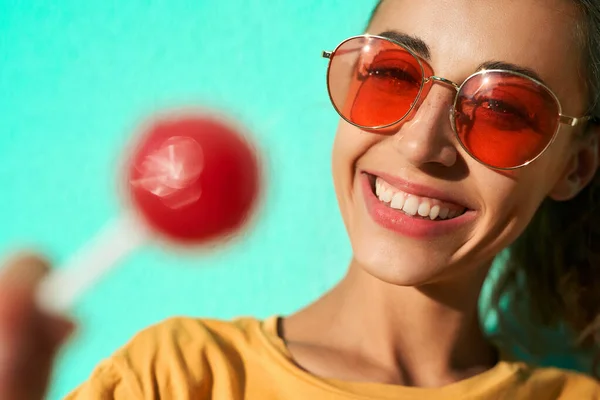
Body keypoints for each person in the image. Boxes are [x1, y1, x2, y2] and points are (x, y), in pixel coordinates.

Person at [2, 0, 600, 398]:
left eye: (501, 110)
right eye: (393, 74)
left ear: (575, 165)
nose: (421, 144)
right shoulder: (178, 380)